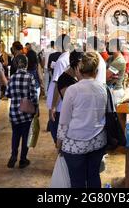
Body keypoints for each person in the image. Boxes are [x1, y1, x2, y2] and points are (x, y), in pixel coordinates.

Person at [57, 52, 107, 188]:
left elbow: (64, 121)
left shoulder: (73, 90)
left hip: (75, 144)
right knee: (94, 176)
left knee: (77, 181)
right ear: (96, 71)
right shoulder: (103, 89)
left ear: (79, 69)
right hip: (98, 141)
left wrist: (59, 142)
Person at [6, 54, 39, 169]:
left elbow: (7, 94)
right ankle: (23, 159)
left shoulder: (12, 77)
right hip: (26, 112)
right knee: (25, 136)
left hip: (14, 112)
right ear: (27, 64)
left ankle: (13, 155)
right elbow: (34, 96)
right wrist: (36, 108)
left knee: (15, 134)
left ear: (15, 64)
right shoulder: (30, 77)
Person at [50, 50, 83, 143]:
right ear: (76, 65)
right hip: (71, 120)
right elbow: (72, 102)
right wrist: (53, 107)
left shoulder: (73, 76)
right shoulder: (65, 79)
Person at [46, 35, 71, 133]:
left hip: (59, 103)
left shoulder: (61, 61)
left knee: (55, 130)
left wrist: (53, 107)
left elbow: (58, 85)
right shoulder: (68, 58)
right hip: (64, 101)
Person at [106, 38, 127, 106]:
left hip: (115, 92)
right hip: (110, 90)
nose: (107, 47)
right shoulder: (111, 58)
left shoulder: (119, 61)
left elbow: (105, 76)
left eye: (109, 45)